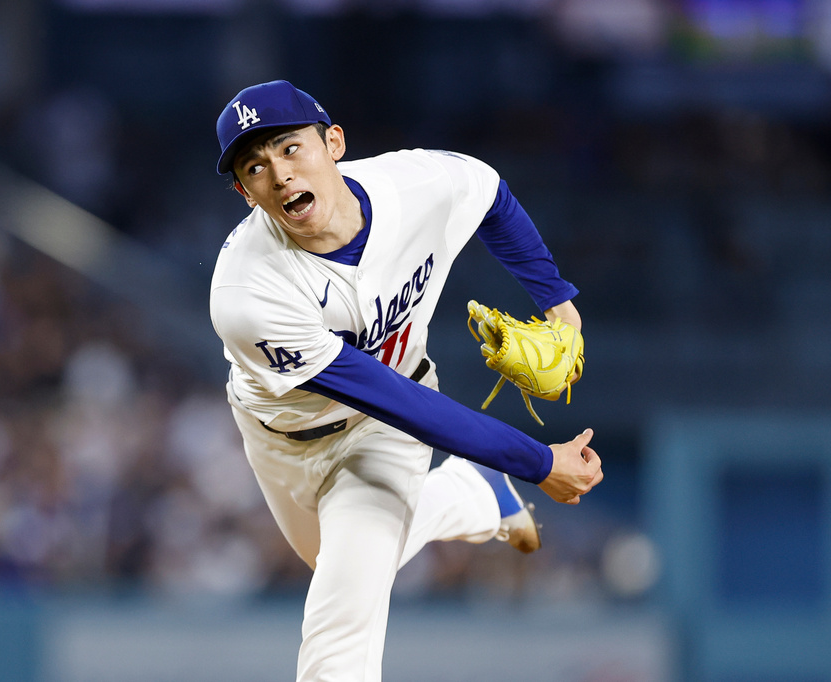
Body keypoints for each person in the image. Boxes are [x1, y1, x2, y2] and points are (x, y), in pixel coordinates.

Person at [209, 80, 603, 682]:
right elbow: (395, 399)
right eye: (256, 166)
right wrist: (537, 462)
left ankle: (467, 494)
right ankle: (471, 494)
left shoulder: (414, 185)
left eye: (290, 148)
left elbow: (490, 193)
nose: (281, 174)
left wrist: (556, 298)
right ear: (244, 191)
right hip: (282, 435)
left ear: (333, 142)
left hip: (384, 427)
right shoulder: (248, 292)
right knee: (333, 560)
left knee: (345, 607)